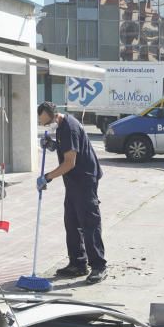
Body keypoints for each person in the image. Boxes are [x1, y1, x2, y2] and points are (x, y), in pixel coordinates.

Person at [35, 101, 107, 284]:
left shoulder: (70, 128)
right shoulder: (61, 126)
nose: (45, 126)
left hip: (85, 180)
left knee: (89, 224)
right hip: (73, 182)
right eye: (43, 124)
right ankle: (78, 263)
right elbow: (64, 147)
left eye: (46, 122)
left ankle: (98, 266)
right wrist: (51, 144)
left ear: (55, 115)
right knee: (72, 222)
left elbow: (69, 163)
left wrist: (47, 177)